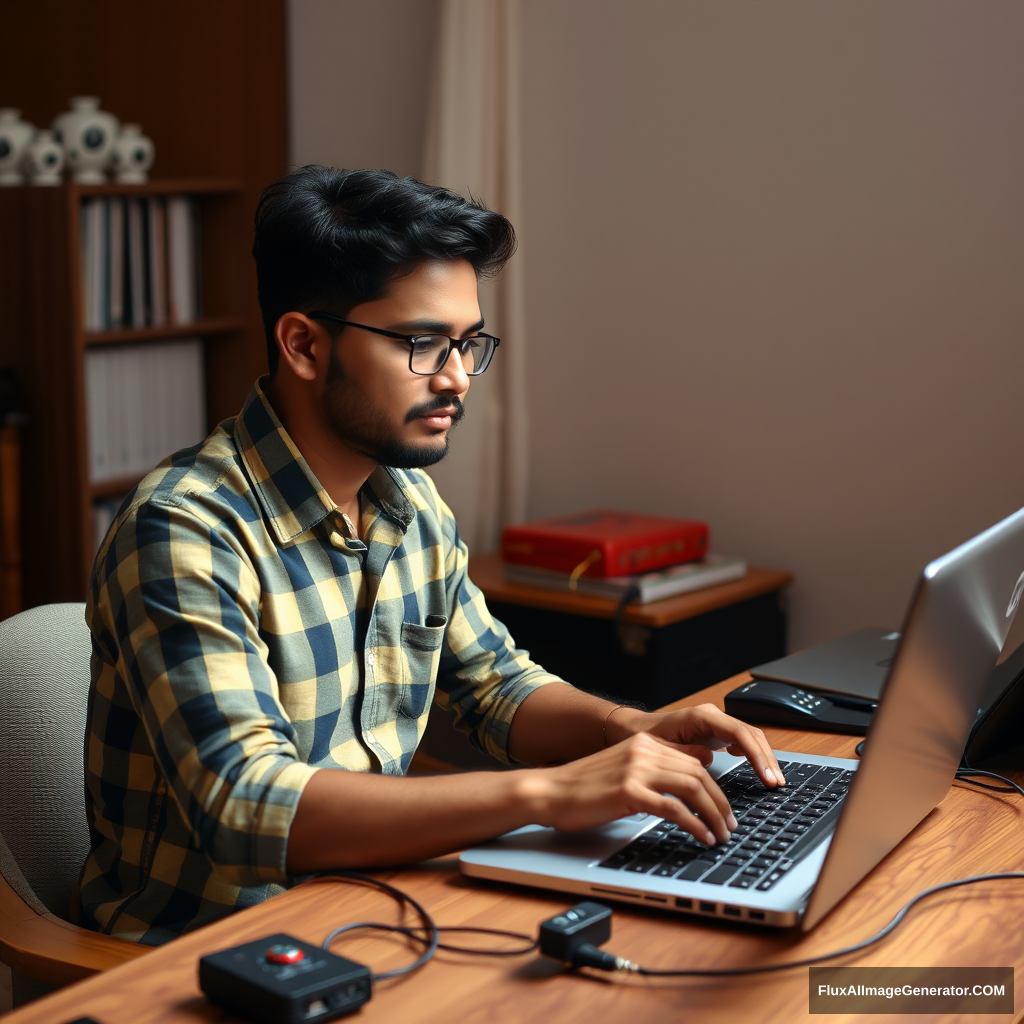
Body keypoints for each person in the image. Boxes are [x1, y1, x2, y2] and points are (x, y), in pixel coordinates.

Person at [72, 166, 783, 944]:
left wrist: (632, 730)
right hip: (210, 961)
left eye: (467, 343)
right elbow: (249, 807)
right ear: (304, 345)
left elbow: (495, 688)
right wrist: (547, 794)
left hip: (379, 907)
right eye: (420, 343)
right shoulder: (184, 530)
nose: (455, 380)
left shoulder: (408, 503)